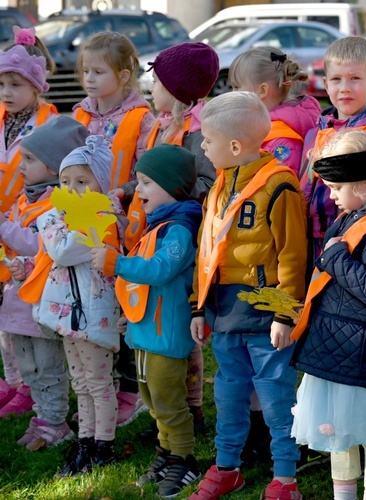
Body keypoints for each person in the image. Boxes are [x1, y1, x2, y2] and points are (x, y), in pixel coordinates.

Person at [189, 91, 307, 500]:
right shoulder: (218, 187)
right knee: (228, 392)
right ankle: (227, 467)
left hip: (265, 312)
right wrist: (199, 307)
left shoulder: (279, 184)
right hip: (224, 311)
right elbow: (206, 251)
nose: (203, 146)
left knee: (276, 396)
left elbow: (293, 254)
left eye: (207, 140)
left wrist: (284, 315)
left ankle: (286, 478)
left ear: (235, 146)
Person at [289, 129, 366, 500]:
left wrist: (336, 257)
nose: (330, 196)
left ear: (359, 185)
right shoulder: (350, 216)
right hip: (336, 349)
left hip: (361, 352)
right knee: (336, 434)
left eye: (334, 188)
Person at [91, 144, 203, 497]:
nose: (137, 191)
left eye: (146, 183)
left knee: (169, 402)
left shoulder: (179, 230)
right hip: (144, 333)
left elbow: (160, 270)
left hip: (166, 337)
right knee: (153, 401)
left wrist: (116, 263)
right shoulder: (159, 225)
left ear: (172, 186)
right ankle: (166, 453)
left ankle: (184, 460)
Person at [122, 41, 219, 437]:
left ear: (177, 90)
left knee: (180, 329)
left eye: (157, 82)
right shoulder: (162, 125)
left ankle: (186, 408)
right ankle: (168, 412)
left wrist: (174, 202)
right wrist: (132, 190)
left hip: (181, 233)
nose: (151, 88)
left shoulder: (198, 132)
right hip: (157, 226)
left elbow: (205, 181)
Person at [20, 136, 123, 476]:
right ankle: (86, 440)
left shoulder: (105, 217)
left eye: (83, 181)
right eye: (65, 182)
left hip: (95, 313)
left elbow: (64, 250)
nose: (72, 189)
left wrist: (73, 222)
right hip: (66, 313)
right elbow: (53, 237)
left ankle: (103, 445)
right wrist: (68, 222)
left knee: (98, 382)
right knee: (80, 381)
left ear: (101, 183)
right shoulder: (58, 216)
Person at [73, 30, 157, 429]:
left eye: (98, 71)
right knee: (94, 303)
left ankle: (128, 390)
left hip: (126, 226)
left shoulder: (141, 119)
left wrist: (120, 193)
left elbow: (147, 170)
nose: (89, 79)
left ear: (124, 75)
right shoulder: (79, 114)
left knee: (124, 305)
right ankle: (96, 385)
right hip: (85, 225)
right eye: (85, 71)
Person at [0, 116, 87, 449]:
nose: (21, 166)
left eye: (30, 160)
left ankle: (54, 422)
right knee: (31, 368)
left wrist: (4, 227)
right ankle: (42, 417)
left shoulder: (58, 205)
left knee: (48, 367)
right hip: (19, 302)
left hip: (43, 305)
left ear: (53, 168)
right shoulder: (27, 199)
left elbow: (38, 244)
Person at [0, 25, 58, 418]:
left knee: (23, 308)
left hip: (25, 222)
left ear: (36, 87)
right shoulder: (2, 119)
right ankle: (12, 379)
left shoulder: (49, 124)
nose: (6, 91)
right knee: (4, 311)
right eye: (2, 82)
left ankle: (31, 386)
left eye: (16, 84)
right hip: (3, 225)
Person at [299, 36, 366, 261]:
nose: (345, 88)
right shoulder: (315, 133)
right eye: (337, 79)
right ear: (326, 84)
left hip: (355, 243)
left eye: (355, 78)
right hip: (312, 240)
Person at [229, 46, 321, 177]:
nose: (232, 93)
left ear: (262, 91)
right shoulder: (263, 127)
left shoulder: (281, 140)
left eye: (236, 87)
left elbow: (283, 189)